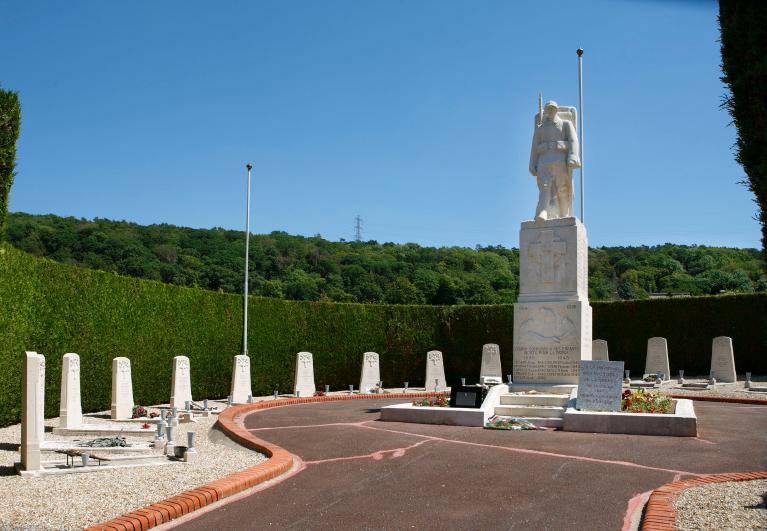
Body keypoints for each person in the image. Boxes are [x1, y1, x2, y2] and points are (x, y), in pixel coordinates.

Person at [528, 100, 580, 222]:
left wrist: (572, 156)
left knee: (562, 188)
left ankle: (564, 213)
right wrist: (532, 163)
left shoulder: (565, 124)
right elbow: (534, 147)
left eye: (552, 109)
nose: (550, 111)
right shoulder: (540, 129)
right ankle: (543, 211)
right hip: (544, 161)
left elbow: (573, 141)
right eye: (548, 109)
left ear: (556, 110)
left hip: (560, 161)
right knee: (544, 187)